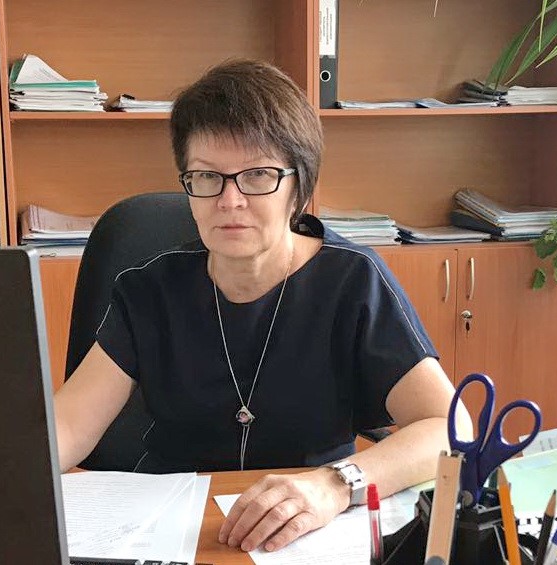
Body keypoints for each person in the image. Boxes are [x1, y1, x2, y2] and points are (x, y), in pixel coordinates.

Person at [54, 59, 473, 553]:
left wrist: (336, 483)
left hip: (310, 531)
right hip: (175, 533)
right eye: (206, 176)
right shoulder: (150, 290)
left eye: (257, 175)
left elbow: (450, 428)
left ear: (298, 186)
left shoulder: (352, 281)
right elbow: (68, 426)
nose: (229, 200)